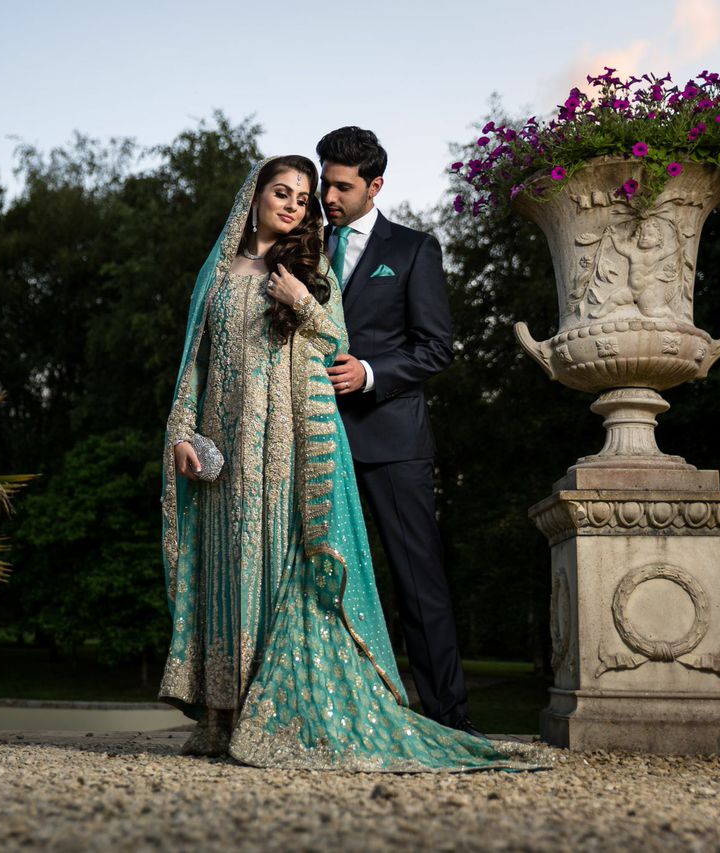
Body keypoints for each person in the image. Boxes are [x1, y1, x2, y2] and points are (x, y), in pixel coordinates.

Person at [159, 155, 530, 771]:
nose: (301, 204)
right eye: (289, 192)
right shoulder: (220, 272)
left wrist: (306, 305)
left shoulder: (332, 261)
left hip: (310, 439)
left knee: (383, 578)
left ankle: (439, 712)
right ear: (255, 195)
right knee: (234, 567)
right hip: (229, 449)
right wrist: (182, 431)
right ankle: (228, 713)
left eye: (311, 195)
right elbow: (191, 363)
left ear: (370, 186)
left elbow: (352, 341)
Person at [316, 126, 477, 735]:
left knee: (418, 585)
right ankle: (336, 715)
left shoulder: (411, 250)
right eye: (325, 182)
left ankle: (450, 719)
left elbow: (436, 348)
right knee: (317, 583)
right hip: (315, 441)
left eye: (341, 186)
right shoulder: (304, 249)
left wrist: (371, 374)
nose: (328, 196)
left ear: (374, 186)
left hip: (391, 444)